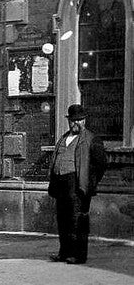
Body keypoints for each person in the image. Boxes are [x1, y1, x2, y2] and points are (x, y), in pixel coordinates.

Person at [47, 104, 108, 265]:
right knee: (63, 219)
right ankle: (64, 252)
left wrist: (90, 183)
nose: (77, 123)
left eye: (80, 120)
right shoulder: (64, 138)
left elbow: (101, 163)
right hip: (61, 184)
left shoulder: (91, 139)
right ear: (69, 121)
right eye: (74, 120)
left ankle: (78, 255)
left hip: (77, 184)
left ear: (84, 120)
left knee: (77, 220)